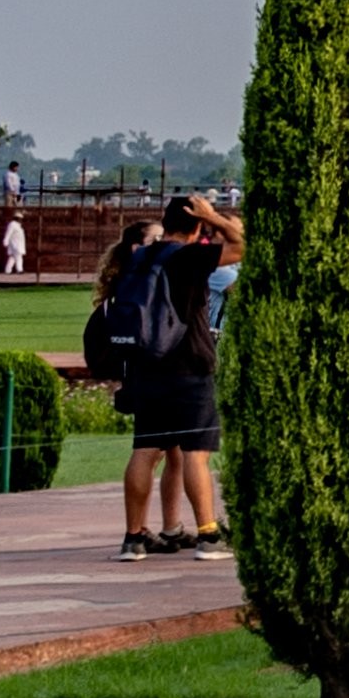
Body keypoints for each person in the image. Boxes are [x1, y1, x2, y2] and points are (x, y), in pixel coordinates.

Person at [98, 197, 226, 557]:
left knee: (144, 450)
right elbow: (242, 243)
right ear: (196, 226)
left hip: (147, 366)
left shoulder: (140, 257)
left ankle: (134, 538)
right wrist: (214, 217)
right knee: (195, 453)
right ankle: (208, 537)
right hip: (189, 368)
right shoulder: (187, 257)